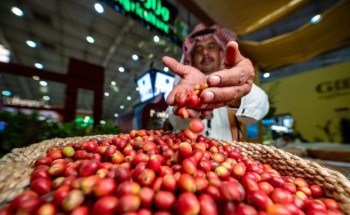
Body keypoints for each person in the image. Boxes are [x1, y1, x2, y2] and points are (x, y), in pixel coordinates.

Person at [162, 23, 269, 141]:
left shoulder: (236, 81)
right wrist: (192, 103)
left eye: (211, 46)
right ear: (191, 59)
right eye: (199, 49)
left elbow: (261, 106)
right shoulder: (183, 87)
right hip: (191, 156)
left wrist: (235, 95)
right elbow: (176, 121)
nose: (205, 52)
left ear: (221, 53)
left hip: (229, 157)